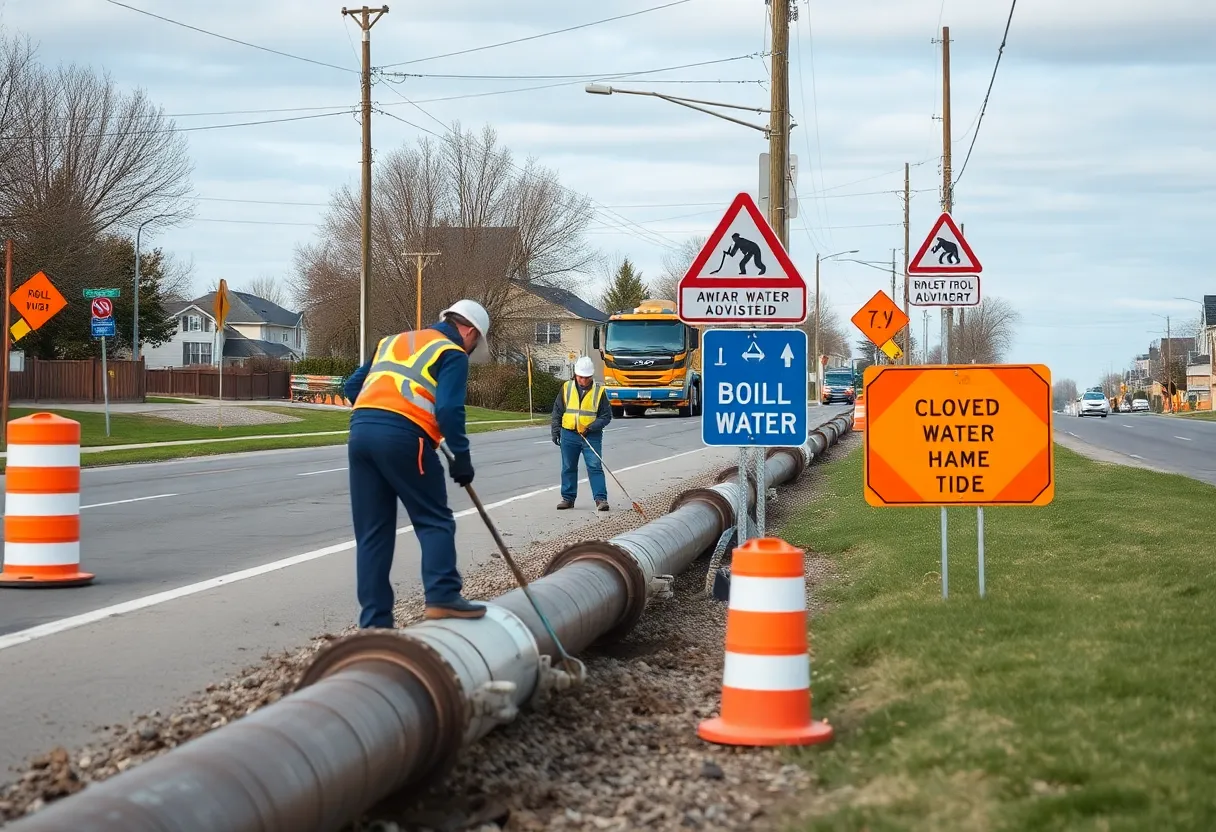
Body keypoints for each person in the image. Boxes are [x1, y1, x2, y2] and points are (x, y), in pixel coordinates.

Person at [342, 299, 491, 627]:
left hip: (361, 434)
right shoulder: (450, 352)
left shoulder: (392, 341)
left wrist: (379, 414)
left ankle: (375, 623)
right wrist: (462, 458)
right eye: (474, 343)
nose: (471, 350)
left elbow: (351, 386)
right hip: (406, 440)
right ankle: (442, 596)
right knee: (434, 519)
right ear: (468, 330)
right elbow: (450, 410)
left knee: (373, 533)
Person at [551, 355, 612, 511]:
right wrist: (556, 430)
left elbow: (606, 416)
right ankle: (568, 499)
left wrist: (591, 427)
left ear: (591, 376)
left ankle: (601, 499)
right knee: (568, 466)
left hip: (591, 435)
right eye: (580, 377)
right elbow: (558, 410)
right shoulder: (567, 388)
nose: (583, 380)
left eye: (586, 377)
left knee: (594, 466)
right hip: (569, 434)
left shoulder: (599, 391)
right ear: (575, 375)